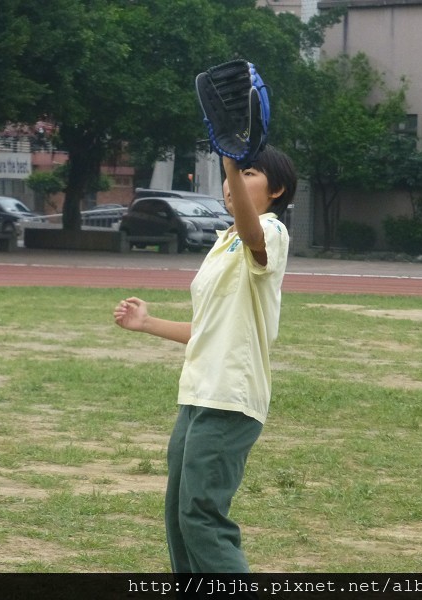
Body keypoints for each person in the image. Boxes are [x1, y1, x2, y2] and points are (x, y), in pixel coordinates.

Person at [114, 145, 297, 582]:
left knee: (201, 516)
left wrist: (229, 160)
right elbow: (208, 329)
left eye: (247, 172)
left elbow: (254, 238)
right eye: (233, 171)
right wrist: (148, 323)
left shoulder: (270, 231)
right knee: (179, 518)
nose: (233, 180)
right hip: (198, 394)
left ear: (277, 190)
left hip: (231, 399)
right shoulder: (224, 241)